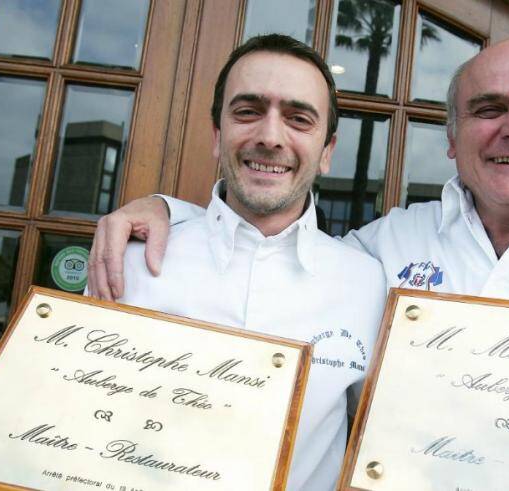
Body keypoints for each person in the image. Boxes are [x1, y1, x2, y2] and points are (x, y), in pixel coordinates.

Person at [88, 37, 509, 490]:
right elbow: (270, 251)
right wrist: (172, 213)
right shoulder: (382, 253)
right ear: (452, 139)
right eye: (489, 109)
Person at [102, 34, 387, 491]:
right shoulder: (126, 261)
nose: (270, 137)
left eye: (298, 118)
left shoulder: (368, 281)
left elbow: (378, 439)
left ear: (327, 151)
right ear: (218, 135)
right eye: (248, 112)